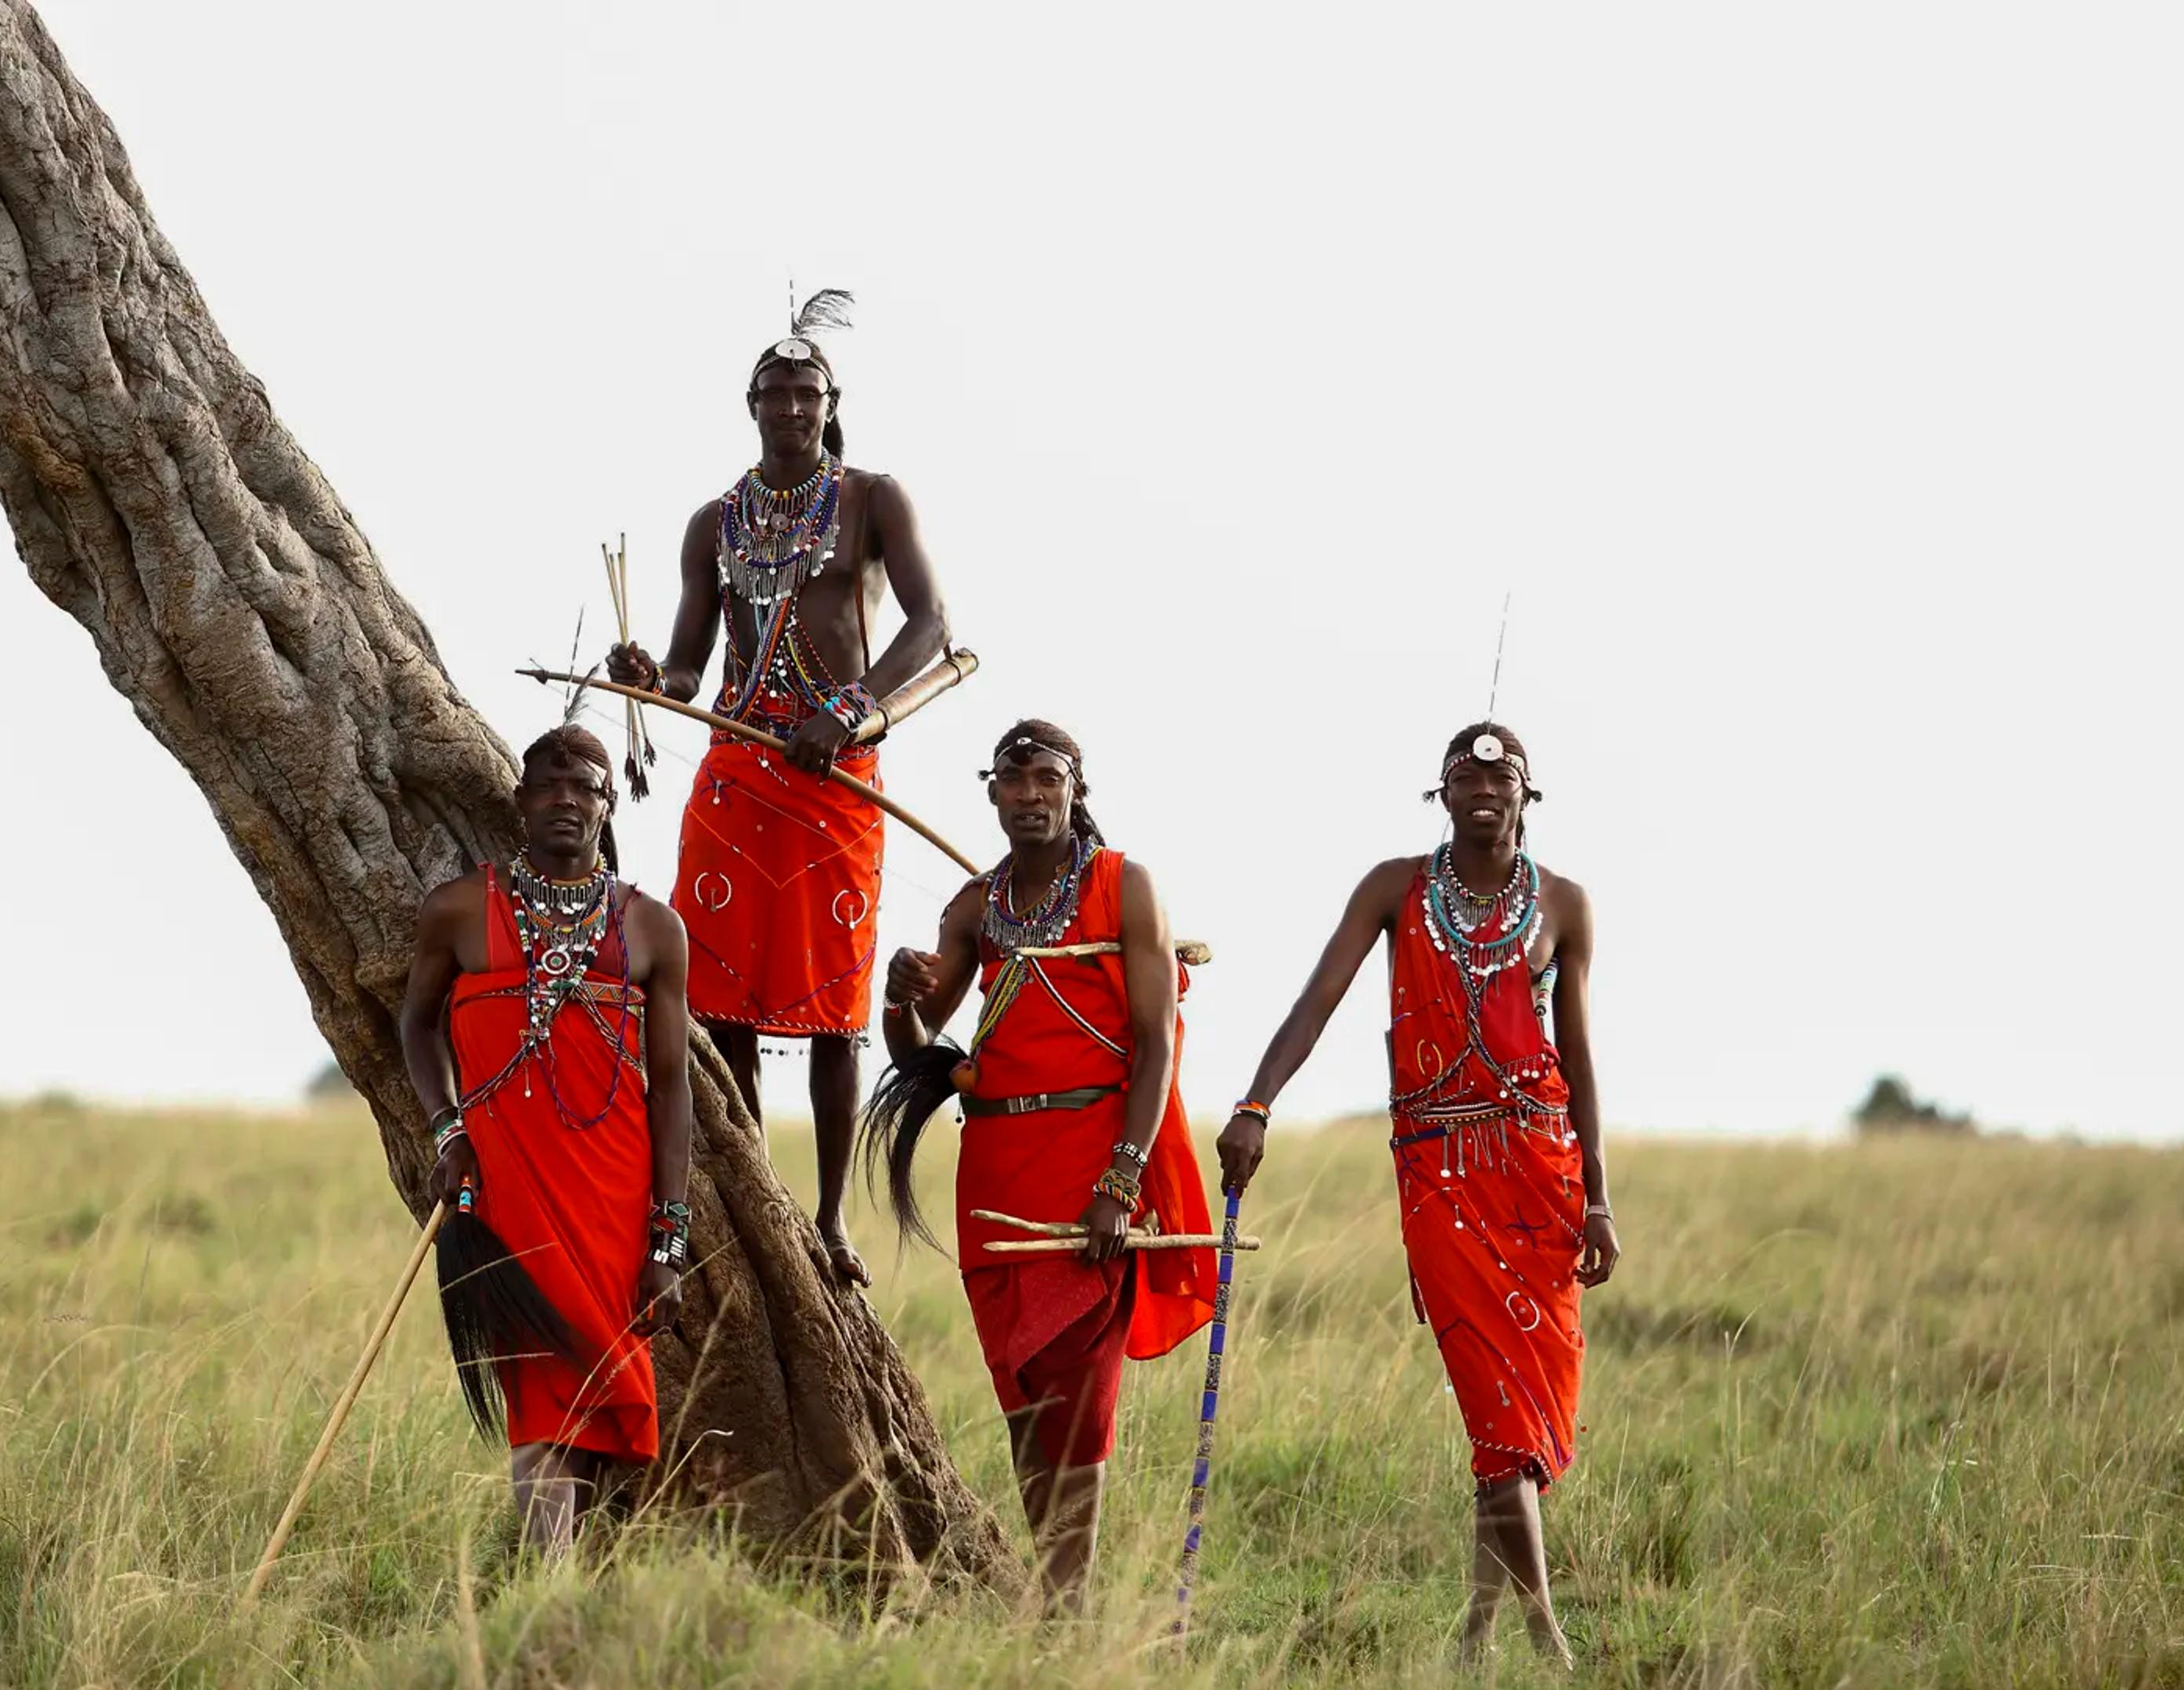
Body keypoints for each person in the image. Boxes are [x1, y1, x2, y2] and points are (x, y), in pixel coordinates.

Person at [1217, 722, 1619, 1664]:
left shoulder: (1565, 904)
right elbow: (1316, 1000)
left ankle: (1476, 1632)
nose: (1483, 789)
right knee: (1494, 1408)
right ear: (1440, 794)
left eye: (1501, 778)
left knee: (1520, 1420)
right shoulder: (1393, 890)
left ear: (1527, 795)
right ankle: (1547, 1639)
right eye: (1463, 778)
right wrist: (1255, 1104)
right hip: (1440, 1177)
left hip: (1540, 1177)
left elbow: (1579, 1056)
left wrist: (1599, 1197)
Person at [609, 291, 950, 1290]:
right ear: (750, 405)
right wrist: (649, 676)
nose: (793, 408)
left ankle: (833, 1219)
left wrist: (851, 709)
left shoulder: (873, 500)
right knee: (723, 1006)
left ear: (831, 405)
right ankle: (761, 1195)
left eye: (809, 393)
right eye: (776, 393)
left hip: (835, 775)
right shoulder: (713, 523)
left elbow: (931, 624)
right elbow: (689, 667)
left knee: (838, 1006)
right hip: (737, 776)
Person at [863, 721, 1214, 1601]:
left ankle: (1066, 1601)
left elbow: (1156, 1043)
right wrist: (899, 999)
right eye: (1013, 780)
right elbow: (919, 1050)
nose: (1030, 795)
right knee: (1021, 1386)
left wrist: (1121, 1180)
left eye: (1047, 779)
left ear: (1074, 789)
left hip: (1091, 1168)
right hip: (993, 1171)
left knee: (1077, 1389)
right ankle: (1060, 1594)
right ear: (992, 792)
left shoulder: (1125, 886)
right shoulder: (975, 907)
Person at [398, 725, 695, 1554]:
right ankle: (549, 1584)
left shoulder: (653, 928)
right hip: (508, 1190)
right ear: (521, 801)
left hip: (615, 1199)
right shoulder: (459, 910)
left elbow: (672, 1088)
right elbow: (416, 1026)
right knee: (539, 1388)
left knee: (604, 1386)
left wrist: (668, 1237)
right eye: (549, 787)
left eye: (586, 788)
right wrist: (447, 1129)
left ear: (608, 805)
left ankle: (568, 1581)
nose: (567, 800)